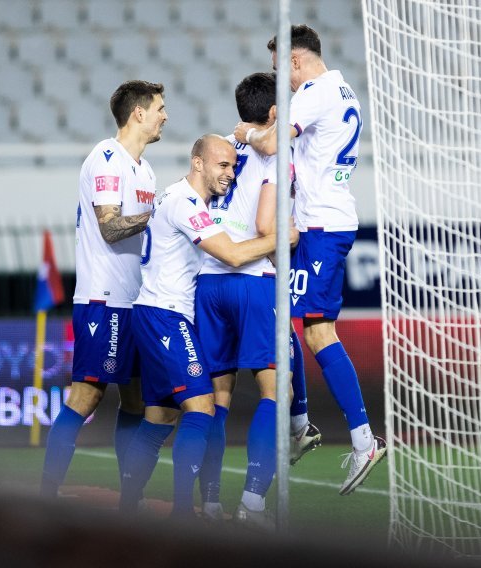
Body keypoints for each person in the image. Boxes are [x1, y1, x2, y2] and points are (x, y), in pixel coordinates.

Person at [235, 24, 386, 496]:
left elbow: (274, 143)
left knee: (318, 332)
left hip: (322, 227)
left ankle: (361, 440)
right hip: (320, 223)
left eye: (284, 71)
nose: (284, 80)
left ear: (296, 62)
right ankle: (302, 425)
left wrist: (246, 132)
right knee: (289, 322)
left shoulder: (316, 91)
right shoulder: (343, 89)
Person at [117, 134, 299, 521]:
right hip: (166, 315)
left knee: (160, 417)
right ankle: (184, 514)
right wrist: (280, 238)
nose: (230, 174)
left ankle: (127, 505)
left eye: (234, 166)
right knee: (201, 408)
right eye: (222, 165)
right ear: (197, 163)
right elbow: (232, 255)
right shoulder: (185, 203)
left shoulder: (178, 197)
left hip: (152, 313)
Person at [194, 71, 319, 532]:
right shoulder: (273, 153)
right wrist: (291, 233)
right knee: (275, 392)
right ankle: (251, 503)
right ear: (272, 114)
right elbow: (268, 227)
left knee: (215, 399)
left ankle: (209, 504)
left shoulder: (219, 149)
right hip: (252, 280)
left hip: (207, 283)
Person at [40, 80, 167, 499]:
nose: (165, 116)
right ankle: (48, 492)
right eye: (160, 108)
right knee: (87, 396)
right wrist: (159, 215)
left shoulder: (145, 169)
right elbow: (111, 227)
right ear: (139, 114)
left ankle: (128, 498)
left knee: (135, 400)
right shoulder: (106, 158)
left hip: (135, 300)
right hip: (103, 298)